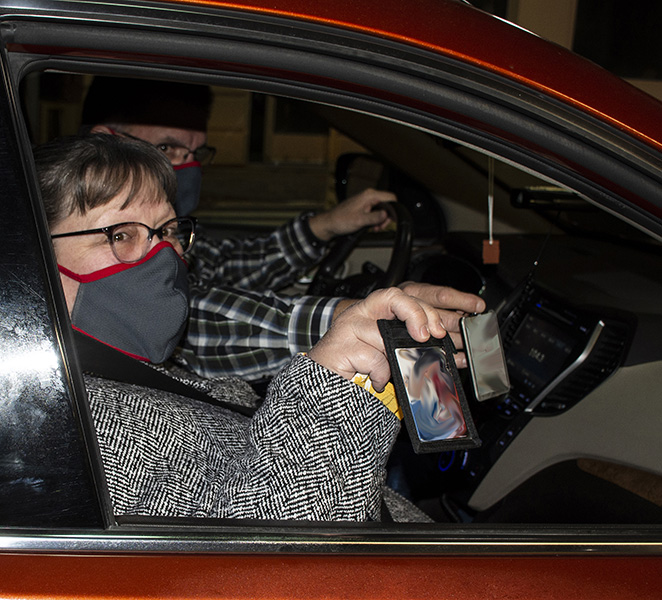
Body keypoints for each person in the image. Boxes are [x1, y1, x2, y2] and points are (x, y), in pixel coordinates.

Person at [36, 133, 462, 521]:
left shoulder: (138, 370)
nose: (163, 254)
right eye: (121, 234)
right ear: (33, 255)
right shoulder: (68, 422)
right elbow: (285, 560)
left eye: (168, 230)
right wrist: (334, 388)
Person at [79, 77, 485, 381]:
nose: (186, 167)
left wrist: (323, 227)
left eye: (196, 152)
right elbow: (186, 322)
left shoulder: (172, 236)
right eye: (168, 149)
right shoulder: (74, 242)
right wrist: (352, 319)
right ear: (107, 145)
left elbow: (220, 266)